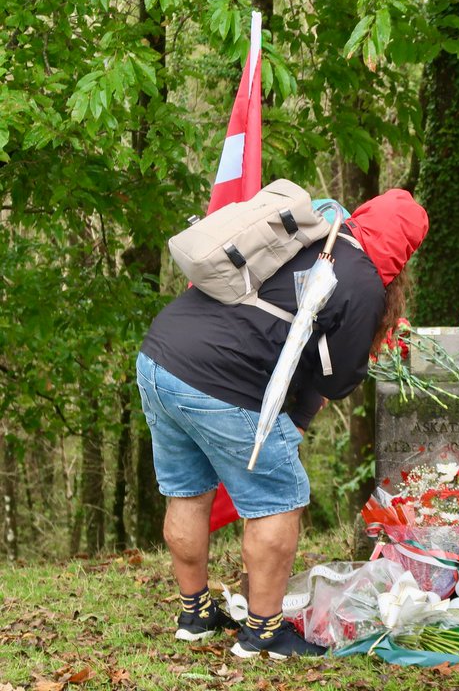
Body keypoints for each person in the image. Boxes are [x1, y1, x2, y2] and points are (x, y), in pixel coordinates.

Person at [137, 189, 429, 659]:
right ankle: (264, 632)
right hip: (219, 381)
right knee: (278, 499)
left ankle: (195, 614)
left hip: (159, 358)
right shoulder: (365, 280)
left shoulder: (307, 232)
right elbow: (339, 379)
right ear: (405, 248)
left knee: (186, 491)